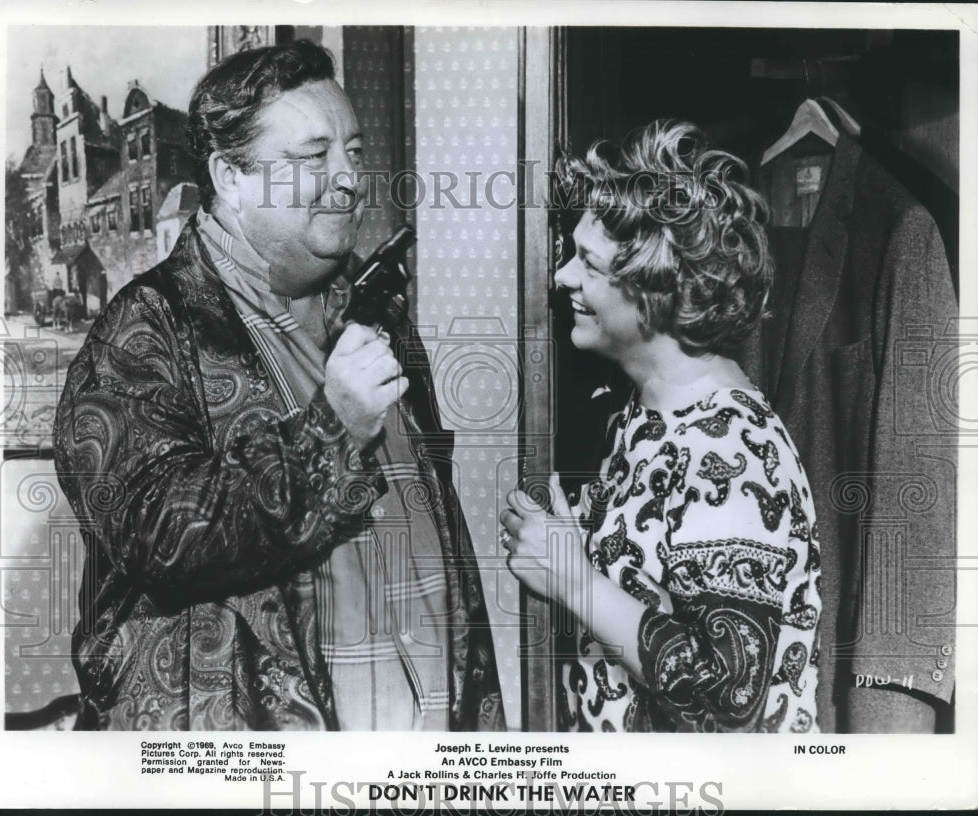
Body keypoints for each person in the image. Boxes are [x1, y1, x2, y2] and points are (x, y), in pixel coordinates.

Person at [53, 40, 504, 731]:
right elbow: (159, 541)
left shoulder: (379, 316)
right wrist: (333, 429)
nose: (349, 178)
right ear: (230, 178)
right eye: (313, 157)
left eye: (353, 152)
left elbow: (445, 544)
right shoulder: (145, 329)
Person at [500, 120, 821, 733]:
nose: (562, 277)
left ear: (656, 289)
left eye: (587, 264)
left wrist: (573, 578)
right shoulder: (648, 413)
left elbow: (730, 694)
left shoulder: (728, 445)